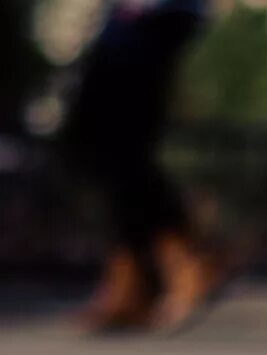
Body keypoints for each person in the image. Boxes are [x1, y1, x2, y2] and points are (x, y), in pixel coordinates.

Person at [63, 0, 228, 333]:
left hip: (160, 13)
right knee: (96, 140)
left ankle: (169, 267)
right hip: (129, 15)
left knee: (122, 145)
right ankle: (146, 272)